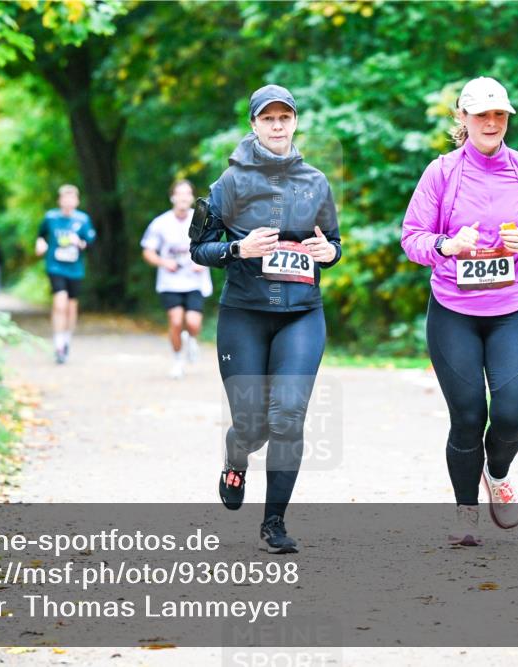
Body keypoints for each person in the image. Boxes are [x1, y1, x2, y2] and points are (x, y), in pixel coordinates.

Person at [400, 76, 518, 546]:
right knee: (468, 417)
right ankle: (465, 511)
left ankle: (499, 471)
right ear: (463, 119)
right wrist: (447, 246)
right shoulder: (441, 173)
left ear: (507, 119)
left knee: (513, 414)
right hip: (453, 310)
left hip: (510, 307)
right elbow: (412, 237)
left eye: (499, 115)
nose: (492, 123)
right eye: (482, 115)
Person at [190, 84, 342, 554]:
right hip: (244, 314)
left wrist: (328, 252)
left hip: (302, 314)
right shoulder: (229, 183)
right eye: (268, 118)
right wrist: (238, 248)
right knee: (253, 425)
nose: (278, 126)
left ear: (295, 122)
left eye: (285, 117)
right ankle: (236, 457)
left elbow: (335, 244)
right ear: (254, 125)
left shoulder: (316, 181)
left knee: (289, 417)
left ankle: (273, 524)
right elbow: (198, 249)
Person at [140, 179, 214, 379]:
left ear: (192, 197)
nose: (183, 197)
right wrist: (164, 263)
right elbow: (148, 251)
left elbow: (213, 246)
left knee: (193, 323)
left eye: (187, 193)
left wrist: (202, 261)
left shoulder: (201, 219)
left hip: (195, 281)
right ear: (172, 197)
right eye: (179, 193)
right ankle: (178, 361)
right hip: (170, 282)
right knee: (175, 320)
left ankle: (191, 339)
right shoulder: (160, 223)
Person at [35, 184, 97, 364]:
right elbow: (41, 235)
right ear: (60, 201)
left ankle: (67, 339)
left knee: (71, 307)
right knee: (59, 303)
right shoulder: (51, 218)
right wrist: (40, 244)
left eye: (72, 199)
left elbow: (90, 243)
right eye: (65, 199)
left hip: (75, 269)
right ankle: (58, 344)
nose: (68, 202)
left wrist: (79, 243)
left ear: (77, 201)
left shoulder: (83, 220)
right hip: (55, 267)